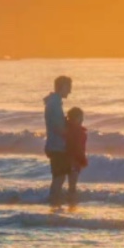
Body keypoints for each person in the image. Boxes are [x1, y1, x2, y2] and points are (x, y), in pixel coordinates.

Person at [44, 75, 72, 204]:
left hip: (54, 145)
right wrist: (70, 135)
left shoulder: (54, 102)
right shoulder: (54, 104)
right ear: (62, 86)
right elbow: (57, 127)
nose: (70, 91)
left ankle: (54, 201)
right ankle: (54, 201)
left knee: (59, 177)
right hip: (57, 146)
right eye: (68, 87)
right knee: (59, 177)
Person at [64, 106, 89, 201]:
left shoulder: (67, 128)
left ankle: (67, 200)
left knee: (69, 182)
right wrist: (83, 160)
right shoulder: (78, 131)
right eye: (81, 117)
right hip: (74, 161)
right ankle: (71, 202)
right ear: (77, 118)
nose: (82, 119)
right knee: (72, 184)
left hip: (66, 159)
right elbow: (78, 148)